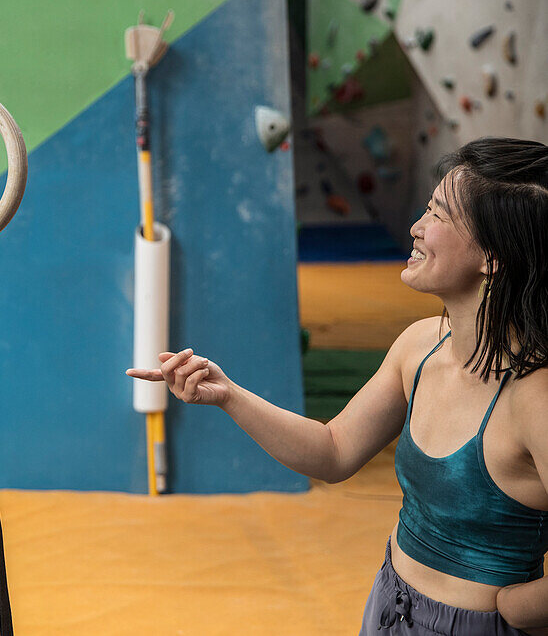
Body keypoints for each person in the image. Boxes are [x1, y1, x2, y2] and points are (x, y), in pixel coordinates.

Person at [128, 137, 548, 635]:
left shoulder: (534, 396)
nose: (416, 228)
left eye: (437, 216)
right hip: (390, 604)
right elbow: (333, 451)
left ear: (493, 258)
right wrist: (228, 394)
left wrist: (518, 611)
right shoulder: (419, 347)